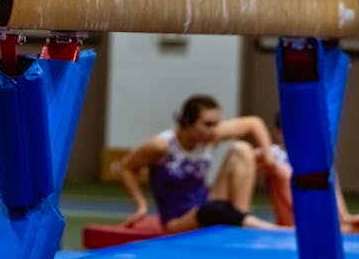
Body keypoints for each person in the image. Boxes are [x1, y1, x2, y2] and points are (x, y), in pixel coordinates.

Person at [119, 94, 279, 233]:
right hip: (177, 220)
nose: (215, 130)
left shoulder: (210, 136)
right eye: (208, 124)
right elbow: (126, 167)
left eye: (216, 124)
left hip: (206, 203)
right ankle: (260, 226)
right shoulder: (161, 146)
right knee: (208, 211)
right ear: (188, 122)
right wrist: (141, 205)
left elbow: (254, 123)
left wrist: (269, 158)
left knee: (242, 149)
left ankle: (240, 218)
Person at [268, 113, 359, 233]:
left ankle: (343, 217)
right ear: (279, 133)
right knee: (283, 172)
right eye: (287, 131)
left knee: (327, 171)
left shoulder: (307, 157)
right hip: (288, 215)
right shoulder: (274, 153)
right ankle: (316, 226)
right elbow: (259, 158)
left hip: (307, 207)